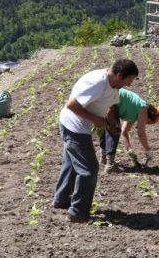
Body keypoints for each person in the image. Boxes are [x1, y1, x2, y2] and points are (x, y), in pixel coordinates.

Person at [53, 58, 138, 223]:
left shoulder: (114, 84)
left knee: (71, 164)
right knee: (89, 169)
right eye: (129, 80)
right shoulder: (97, 83)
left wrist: (112, 124)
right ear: (120, 75)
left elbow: (112, 107)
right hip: (73, 126)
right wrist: (96, 120)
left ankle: (61, 200)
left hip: (80, 126)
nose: (130, 85)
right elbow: (71, 104)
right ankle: (77, 213)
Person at [99, 88, 159, 172]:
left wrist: (129, 149)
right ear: (149, 116)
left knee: (108, 127)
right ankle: (110, 165)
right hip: (113, 98)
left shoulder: (134, 112)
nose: (147, 124)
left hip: (108, 97)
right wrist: (148, 149)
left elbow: (124, 132)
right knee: (114, 130)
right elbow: (141, 133)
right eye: (150, 123)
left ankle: (104, 159)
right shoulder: (143, 108)